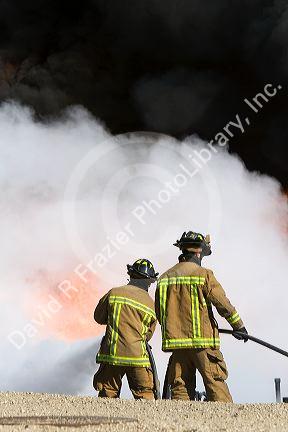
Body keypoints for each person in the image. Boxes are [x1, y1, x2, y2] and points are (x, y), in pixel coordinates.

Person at [155, 231, 248, 402]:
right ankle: (227, 424)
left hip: (178, 345)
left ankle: (179, 426)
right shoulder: (203, 274)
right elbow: (223, 304)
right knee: (216, 384)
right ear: (198, 252)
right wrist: (239, 327)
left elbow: (160, 313)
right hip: (203, 344)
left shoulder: (164, 278)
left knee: (180, 389)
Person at [93, 259, 158, 399]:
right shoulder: (151, 305)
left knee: (107, 395)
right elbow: (148, 335)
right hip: (138, 358)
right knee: (145, 396)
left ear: (131, 275)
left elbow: (98, 317)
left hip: (112, 355)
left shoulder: (113, 293)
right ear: (149, 282)